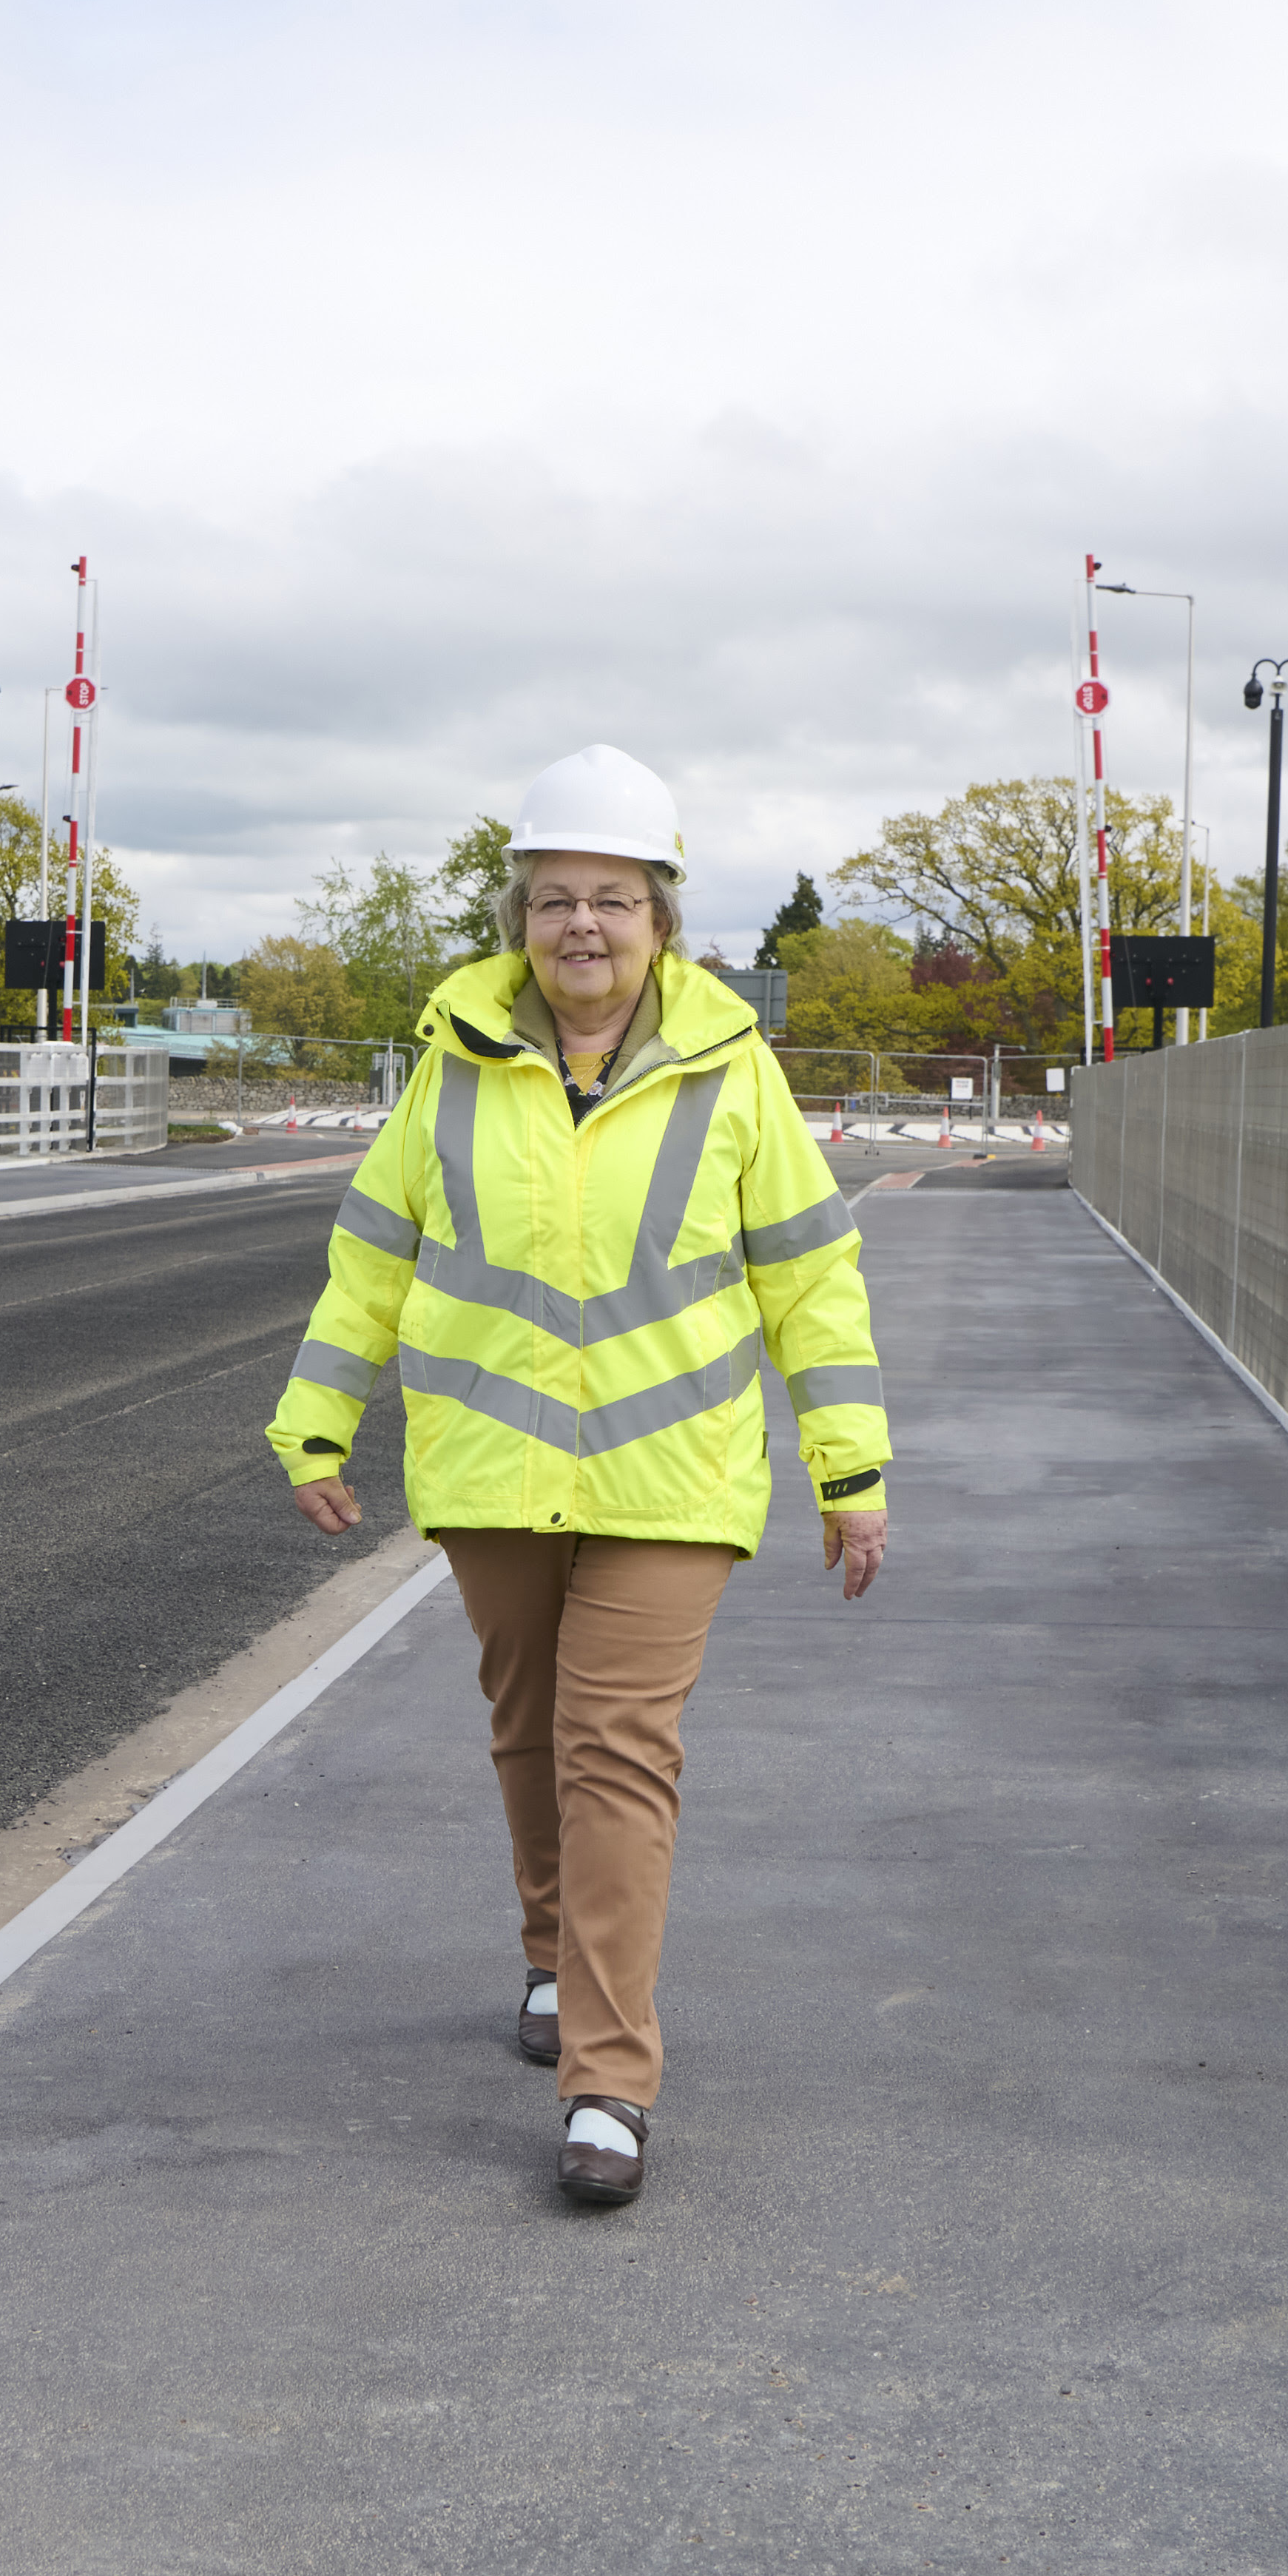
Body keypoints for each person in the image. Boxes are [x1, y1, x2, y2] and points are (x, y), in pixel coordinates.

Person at [272, 744, 891, 2209]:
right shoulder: (451, 1065)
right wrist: (314, 1419)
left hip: (669, 1480)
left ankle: (609, 2080)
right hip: (489, 1468)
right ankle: (551, 1950)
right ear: (518, 918)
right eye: (554, 899)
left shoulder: (735, 1073)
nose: (582, 928)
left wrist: (848, 1465)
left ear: (661, 915)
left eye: (612, 898)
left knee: (620, 1751)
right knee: (529, 1726)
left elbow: (813, 1281)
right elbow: (374, 1255)